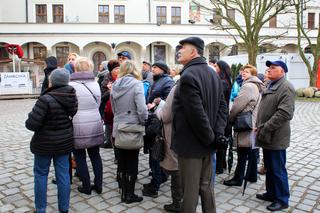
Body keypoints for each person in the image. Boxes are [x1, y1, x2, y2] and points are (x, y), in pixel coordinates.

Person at [171, 36, 228, 213]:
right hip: (207, 142)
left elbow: (196, 114)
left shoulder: (188, 75)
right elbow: (222, 107)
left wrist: (212, 137)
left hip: (192, 145)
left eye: (183, 47)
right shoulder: (212, 72)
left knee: (190, 191)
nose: (179, 50)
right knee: (206, 187)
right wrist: (216, 135)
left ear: (194, 51)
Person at [25, 68, 78, 213]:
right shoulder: (72, 95)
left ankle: (41, 209)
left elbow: (31, 124)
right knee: (63, 175)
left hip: (44, 144)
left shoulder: (45, 98)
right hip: (64, 142)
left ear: (51, 81)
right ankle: (64, 208)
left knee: (41, 175)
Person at [255, 60, 295, 211]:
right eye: (268, 68)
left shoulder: (286, 87)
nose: (269, 70)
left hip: (276, 135)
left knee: (278, 169)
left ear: (282, 71)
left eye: (273, 68)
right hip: (266, 134)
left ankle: (282, 199)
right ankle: (271, 193)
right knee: (270, 167)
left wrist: (265, 127)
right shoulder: (270, 84)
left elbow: (285, 113)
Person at [111, 60, 148, 204]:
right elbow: (142, 108)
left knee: (121, 160)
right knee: (132, 160)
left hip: (119, 125)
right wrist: (144, 121)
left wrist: (119, 118)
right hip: (132, 126)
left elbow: (113, 108)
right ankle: (129, 194)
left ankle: (122, 188)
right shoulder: (137, 84)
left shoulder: (115, 84)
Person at [223, 64, 264, 187]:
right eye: (243, 71)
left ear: (253, 74)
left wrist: (230, 118)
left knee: (242, 151)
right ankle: (252, 175)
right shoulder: (257, 85)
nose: (243, 73)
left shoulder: (247, 86)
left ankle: (238, 178)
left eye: (247, 72)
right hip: (253, 122)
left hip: (245, 123)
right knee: (251, 149)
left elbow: (237, 105)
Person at [69, 57, 104, 195]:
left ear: (76, 68)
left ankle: (86, 186)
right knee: (95, 155)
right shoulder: (96, 84)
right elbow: (98, 103)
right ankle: (99, 184)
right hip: (94, 122)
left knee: (79, 156)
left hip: (77, 124)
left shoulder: (71, 86)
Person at [143, 61, 174, 198]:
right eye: (153, 67)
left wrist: (156, 103)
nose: (153, 69)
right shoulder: (157, 80)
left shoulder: (167, 82)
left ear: (163, 69)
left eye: (156, 67)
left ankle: (155, 183)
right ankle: (159, 176)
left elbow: (168, 102)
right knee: (153, 151)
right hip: (153, 117)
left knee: (155, 152)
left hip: (158, 120)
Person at [152, 84, 182, 213]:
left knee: (177, 168)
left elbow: (165, 115)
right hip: (194, 133)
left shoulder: (179, 86)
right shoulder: (209, 82)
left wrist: (158, 109)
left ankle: (177, 203)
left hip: (177, 132)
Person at [213, 60, 232, 175]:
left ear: (221, 68)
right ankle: (222, 164)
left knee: (220, 140)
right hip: (223, 114)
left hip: (221, 115)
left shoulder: (222, 82)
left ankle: (219, 167)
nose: (214, 68)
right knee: (222, 141)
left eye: (216, 66)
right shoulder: (225, 81)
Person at [101, 60, 120, 151]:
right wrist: (110, 90)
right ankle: (109, 141)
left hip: (120, 108)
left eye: (119, 68)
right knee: (109, 125)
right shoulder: (106, 79)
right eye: (116, 68)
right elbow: (103, 97)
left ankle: (117, 145)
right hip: (109, 109)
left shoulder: (122, 78)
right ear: (111, 70)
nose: (118, 70)